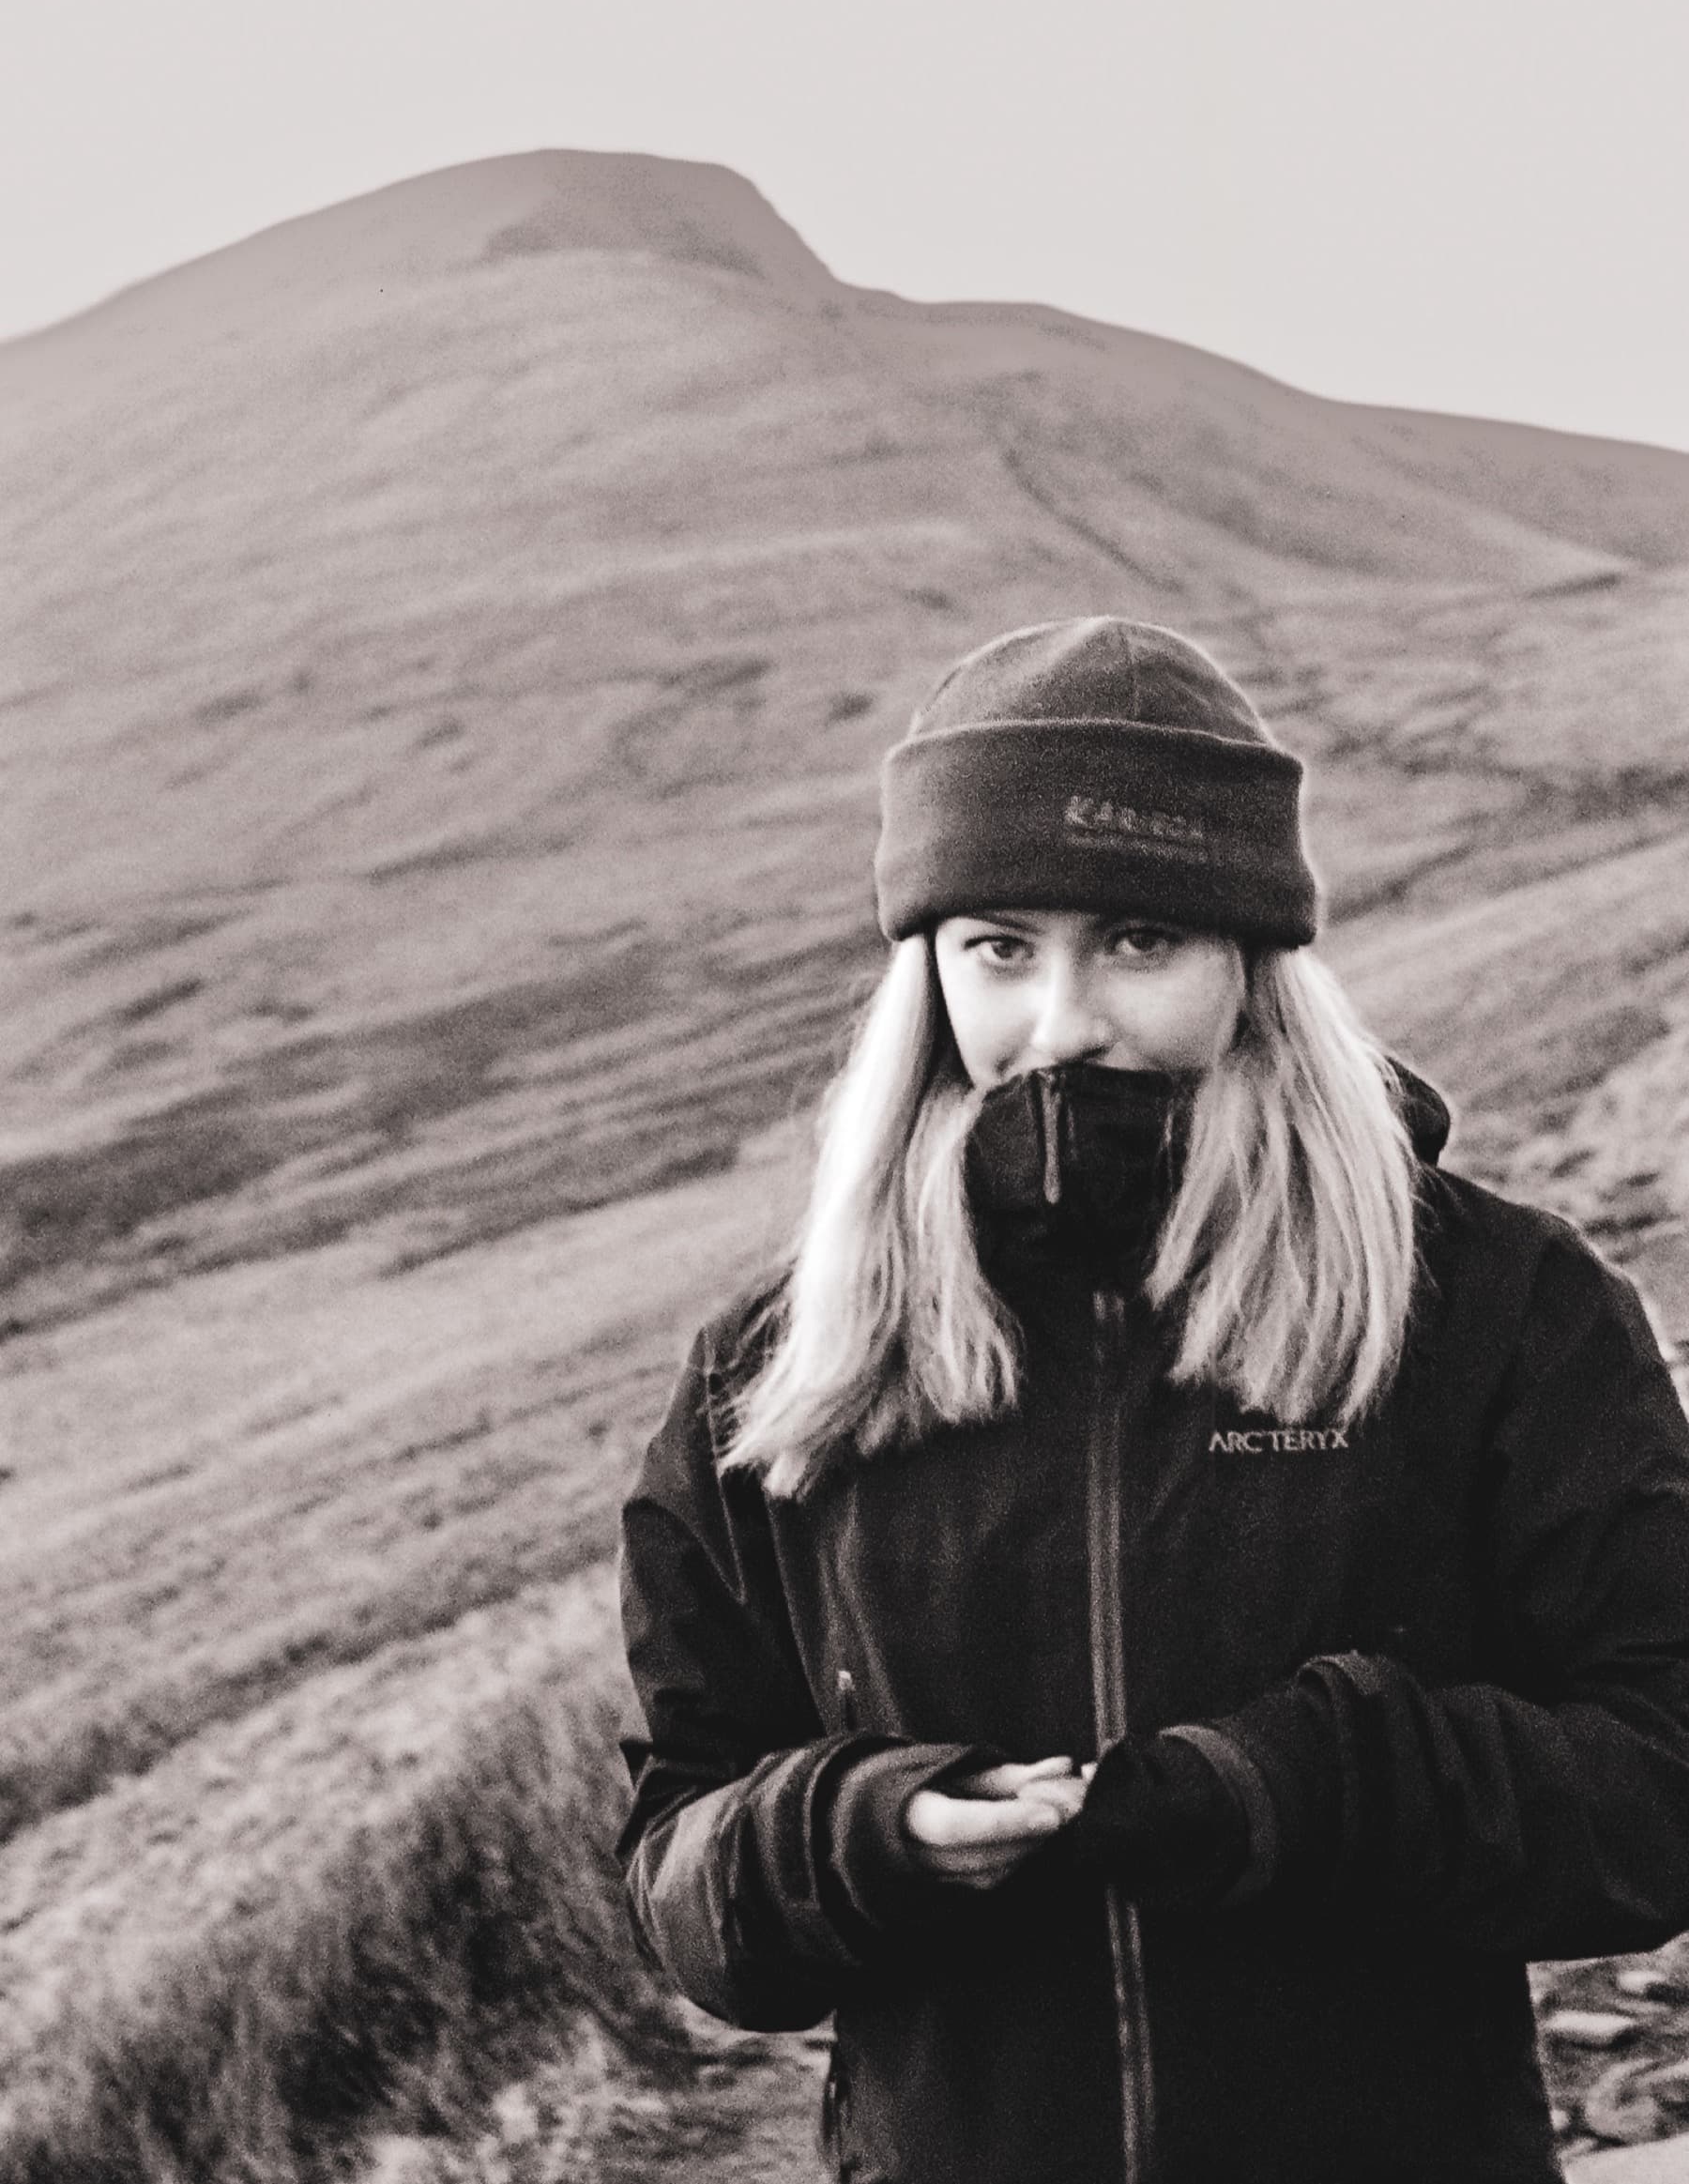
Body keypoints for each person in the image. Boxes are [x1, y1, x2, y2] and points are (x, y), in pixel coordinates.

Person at [616, 617, 1689, 2184]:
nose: (1061, 1021)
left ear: (1252, 957)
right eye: (998, 944)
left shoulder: (1497, 1308)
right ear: (927, 968)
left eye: (1136, 939)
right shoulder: (780, 1367)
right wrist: (856, 1831)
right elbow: (674, 1862)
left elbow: (1658, 1784)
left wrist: (1305, 1792)